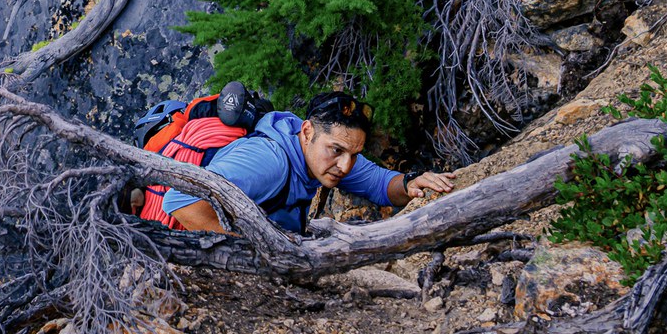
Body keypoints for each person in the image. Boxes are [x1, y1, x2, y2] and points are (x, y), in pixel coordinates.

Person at [156, 91, 455, 233]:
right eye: (337, 150)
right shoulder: (269, 162)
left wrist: (410, 183)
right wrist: (251, 251)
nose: (345, 166)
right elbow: (179, 200)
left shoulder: (321, 154)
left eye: (354, 154)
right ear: (307, 131)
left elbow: (378, 183)